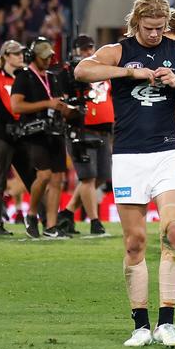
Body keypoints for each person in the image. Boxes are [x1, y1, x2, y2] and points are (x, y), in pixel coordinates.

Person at [75, 0, 175, 348]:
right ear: (135, 22)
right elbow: (82, 70)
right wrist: (128, 73)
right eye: (148, 28)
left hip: (166, 153)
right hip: (128, 157)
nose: (154, 34)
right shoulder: (118, 51)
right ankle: (140, 324)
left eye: (160, 28)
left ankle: (166, 322)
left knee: (172, 232)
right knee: (135, 242)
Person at [11, 37, 74, 239]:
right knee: (44, 175)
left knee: (57, 179)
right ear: (33, 56)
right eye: (43, 57)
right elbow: (16, 106)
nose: (47, 61)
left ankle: (51, 226)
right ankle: (31, 214)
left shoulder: (52, 77)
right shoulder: (24, 77)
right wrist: (47, 104)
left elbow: (56, 102)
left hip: (55, 131)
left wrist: (67, 109)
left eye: (49, 57)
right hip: (34, 133)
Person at [66, 34, 113, 237]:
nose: (87, 52)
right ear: (75, 51)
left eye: (90, 48)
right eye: (83, 49)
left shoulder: (104, 71)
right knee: (88, 177)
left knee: (101, 176)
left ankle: (66, 214)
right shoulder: (71, 72)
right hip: (82, 129)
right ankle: (95, 221)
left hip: (104, 130)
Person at [0, 40, 31, 236]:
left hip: (22, 135)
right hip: (2, 136)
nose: (20, 56)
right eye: (15, 53)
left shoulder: (26, 76)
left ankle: (46, 220)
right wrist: (14, 124)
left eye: (21, 52)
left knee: (33, 178)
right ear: (5, 57)